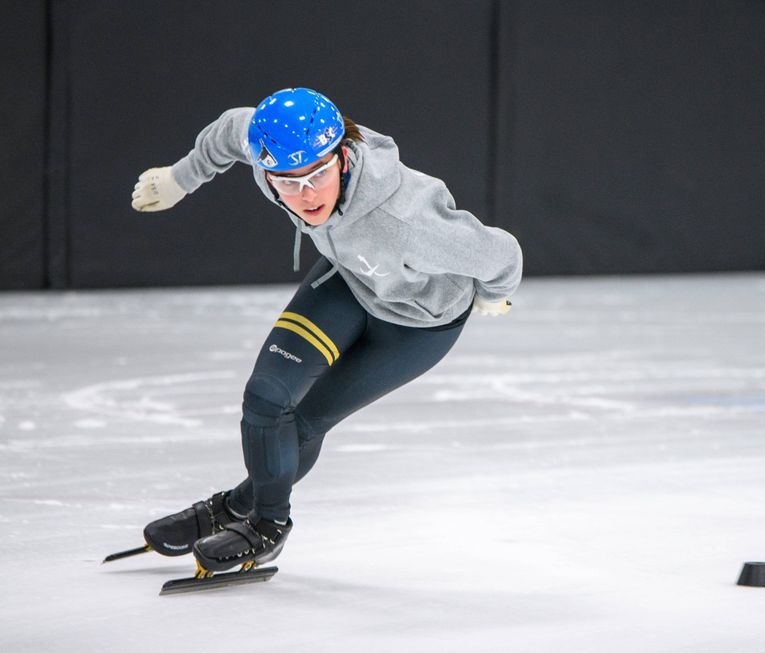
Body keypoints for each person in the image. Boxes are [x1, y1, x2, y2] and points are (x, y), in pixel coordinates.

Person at [130, 88, 522, 573]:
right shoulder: (264, 146)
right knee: (266, 399)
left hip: (418, 324)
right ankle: (237, 510)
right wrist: (179, 179)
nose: (306, 195)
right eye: (287, 183)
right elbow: (231, 126)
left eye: (317, 175)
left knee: (306, 421)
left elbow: (500, 253)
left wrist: (493, 293)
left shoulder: (403, 218)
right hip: (350, 279)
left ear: (341, 157)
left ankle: (262, 522)